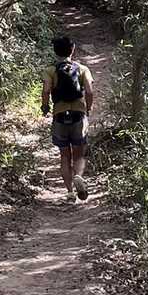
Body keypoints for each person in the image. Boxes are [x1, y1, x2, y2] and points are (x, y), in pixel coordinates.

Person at [41, 34, 94, 202]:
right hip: (78, 114)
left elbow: (46, 91)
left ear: (55, 52)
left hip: (60, 115)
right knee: (79, 153)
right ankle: (78, 176)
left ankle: (70, 192)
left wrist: (45, 107)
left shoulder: (50, 70)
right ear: (73, 50)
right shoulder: (83, 69)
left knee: (64, 155)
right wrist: (88, 108)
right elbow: (89, 91)